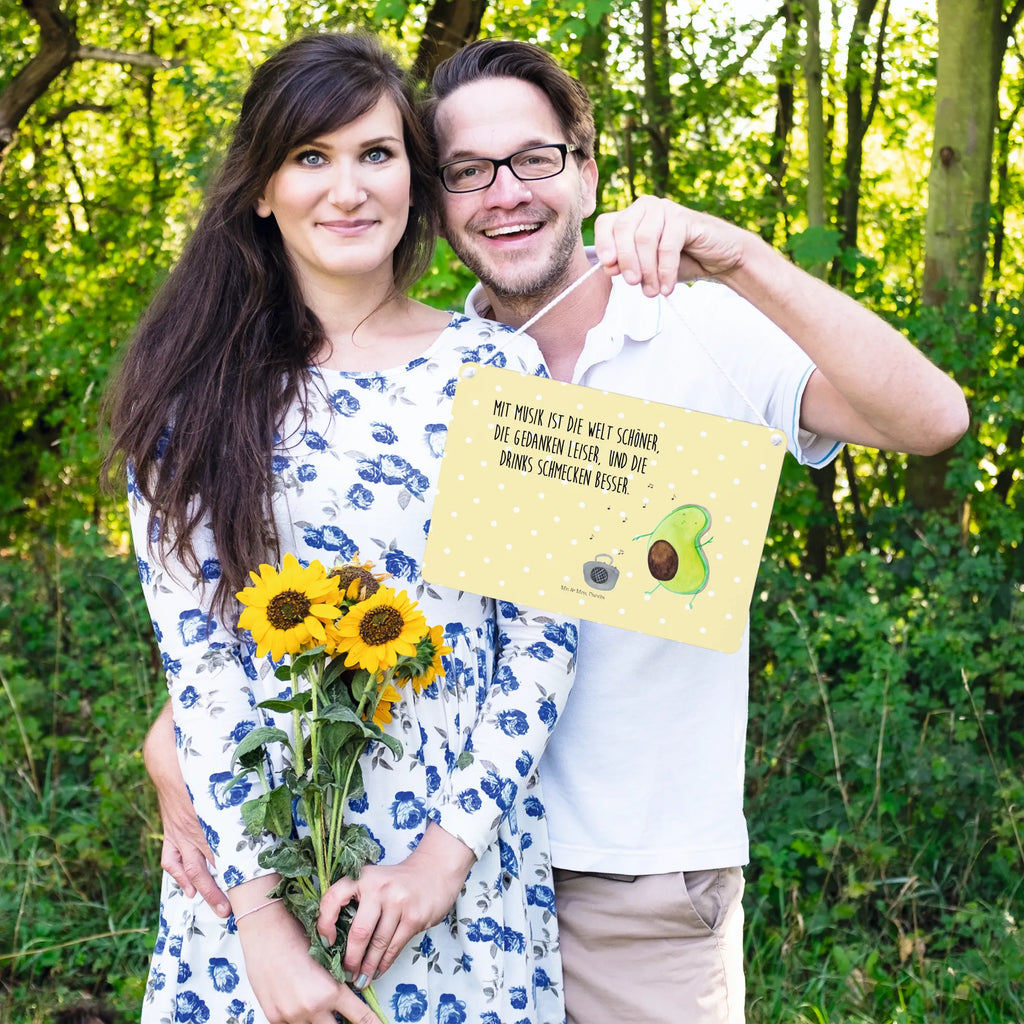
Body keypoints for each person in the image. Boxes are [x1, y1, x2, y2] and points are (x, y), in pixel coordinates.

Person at [142, 36, 970, 1024]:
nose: (503, 192)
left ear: (585, 169)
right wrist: (186, 759)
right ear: (436, 198)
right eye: (466, 171)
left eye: (532, 159)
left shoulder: (671, 329)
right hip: (355, 868)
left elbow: (930, 422)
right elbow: (263, 619)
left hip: (613, 878)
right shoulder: (376, 372)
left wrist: (741, 255)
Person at [105, 32, 577, 1024]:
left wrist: (442, 861)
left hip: (454, 884)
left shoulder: (501, 372)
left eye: (376, 153)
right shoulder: (190, 398)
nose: (348, 188)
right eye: (310, 158)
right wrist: (262, 926)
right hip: (250, 888)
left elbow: (540, 640)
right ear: (262, 189)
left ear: (414, 177)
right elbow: (203, 670)